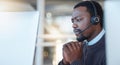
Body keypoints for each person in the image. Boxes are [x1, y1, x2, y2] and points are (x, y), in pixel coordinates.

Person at [58, 1, 106, 65]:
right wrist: (65, 62)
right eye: (73, 21)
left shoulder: (111, 48)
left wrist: (75, 61)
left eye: (78, 19)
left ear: (95, 20)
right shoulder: (80, 48)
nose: (73, 25)